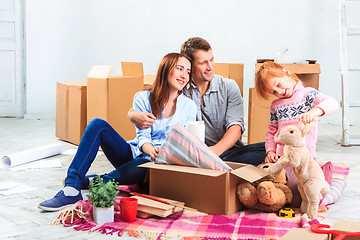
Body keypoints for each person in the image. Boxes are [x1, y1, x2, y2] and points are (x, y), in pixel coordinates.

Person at [38, 53, 198, 211]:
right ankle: (72, 188)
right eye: (180, 69)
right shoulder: (142, 97)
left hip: (157, 167)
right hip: (136, 153)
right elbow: (143, 138)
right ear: (166, 69)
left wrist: (162, 155)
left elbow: (185, 142)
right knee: (97, 124)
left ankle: (99, 182)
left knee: (142, 164)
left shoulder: (189, 107)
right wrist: (151, 151)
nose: (184, 75)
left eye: (188, 72)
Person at [129, 37, 266, 166]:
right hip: (195, 156)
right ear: (191, 66)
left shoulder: (229, 87)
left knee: (267, 149)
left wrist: (213, 152)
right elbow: (155, 95)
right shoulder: (180, 88)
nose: (210, 67)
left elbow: (236, 126)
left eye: (211, 60)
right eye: (203, 63)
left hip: (228, 152)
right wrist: (132, 115)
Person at [255, 61, 339, 206]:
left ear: (286, 72)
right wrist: (270, 151)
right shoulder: (276, 105)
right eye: (273, 92)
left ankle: (323, 173)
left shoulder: (307, 95)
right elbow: (271, 131)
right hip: (281, 158)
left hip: (302, 160)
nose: (279, 92)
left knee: (298, 196)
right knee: (259, 177)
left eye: (278, 85)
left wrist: (313, 112)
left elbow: (332, 103)